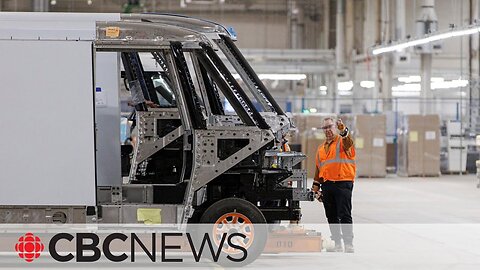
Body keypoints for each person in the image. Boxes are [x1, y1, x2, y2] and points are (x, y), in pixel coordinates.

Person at [312, 117, 356, 253]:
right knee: (331, 216)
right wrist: (315, 188)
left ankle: (348, 243)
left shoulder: (343, 142)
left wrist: (343, 130)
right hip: (327, 185)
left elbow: (349, 141)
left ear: (335, 127)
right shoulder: (320, 149)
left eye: (330, 126)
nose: (328, 130)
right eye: (325, 128)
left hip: (343, 183)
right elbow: (319, 170)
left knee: (344, 214)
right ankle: (337, 242)